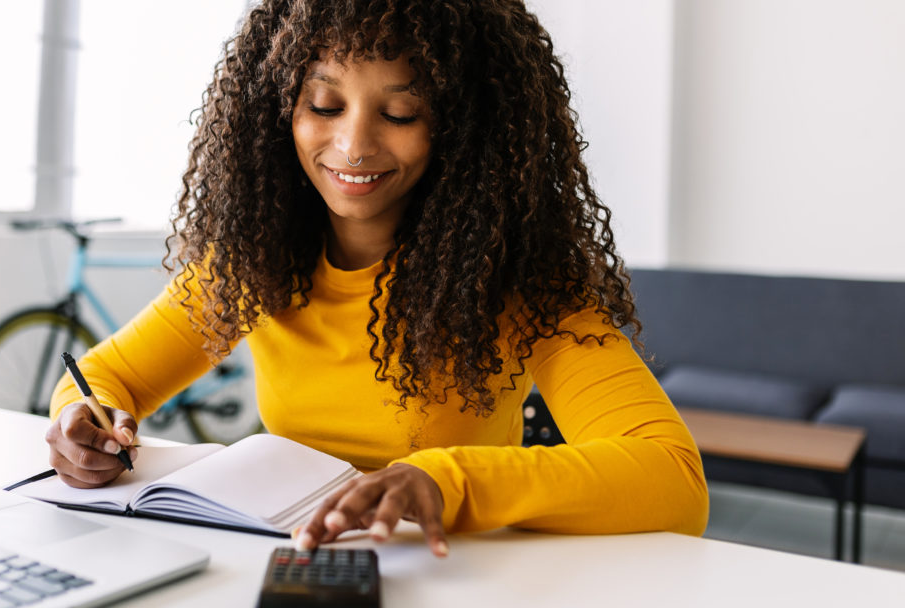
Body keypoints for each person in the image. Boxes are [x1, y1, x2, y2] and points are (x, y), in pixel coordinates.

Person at [45, 0, 709, 559]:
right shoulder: (253, 262)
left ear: (463, 129)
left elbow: (672, 478)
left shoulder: (523, 282)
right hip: (285, 561)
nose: (354, 145)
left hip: (448, 570)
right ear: (281, 111)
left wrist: (440, 481)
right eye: (325, 104)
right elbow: (108, 379)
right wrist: (83, 421)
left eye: (399, 114)